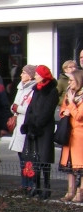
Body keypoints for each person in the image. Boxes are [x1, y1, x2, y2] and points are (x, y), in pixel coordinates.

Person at [20, 65, 58, 200]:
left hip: (44, 130)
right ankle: (36, 185)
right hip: (33, 128)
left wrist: (37, 125)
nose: (35, 76)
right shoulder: (36, 89)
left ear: (43, 76)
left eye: (37, 74)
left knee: (44, 159)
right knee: (33, 158)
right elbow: (30, 108)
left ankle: (46, 187)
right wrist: (27, 124)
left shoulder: (52, 91)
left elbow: (47, 111)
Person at [9, 64, 37, 195]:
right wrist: (14, 108)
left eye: (24, 73)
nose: (21, 75)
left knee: (28, 158)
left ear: (30, 75)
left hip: (25, 126)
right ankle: (23, 183)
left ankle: (30, 184)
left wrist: (17, 109)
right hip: (18, 124)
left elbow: (30, 109)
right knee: (21, 158)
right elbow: (15, 104)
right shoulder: (20, 87)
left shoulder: (33, 89)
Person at [58, 70, 83, 203]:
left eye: (72, 80)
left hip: (80, 136)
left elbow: (79, 115)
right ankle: (70, 191)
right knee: (69, 166)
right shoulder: (69, 94)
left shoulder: (80, 97)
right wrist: (65, 112)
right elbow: (62, 109)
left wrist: (71, 105)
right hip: (69, 134)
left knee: (80, 165)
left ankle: (80, 193)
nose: (69, 83)